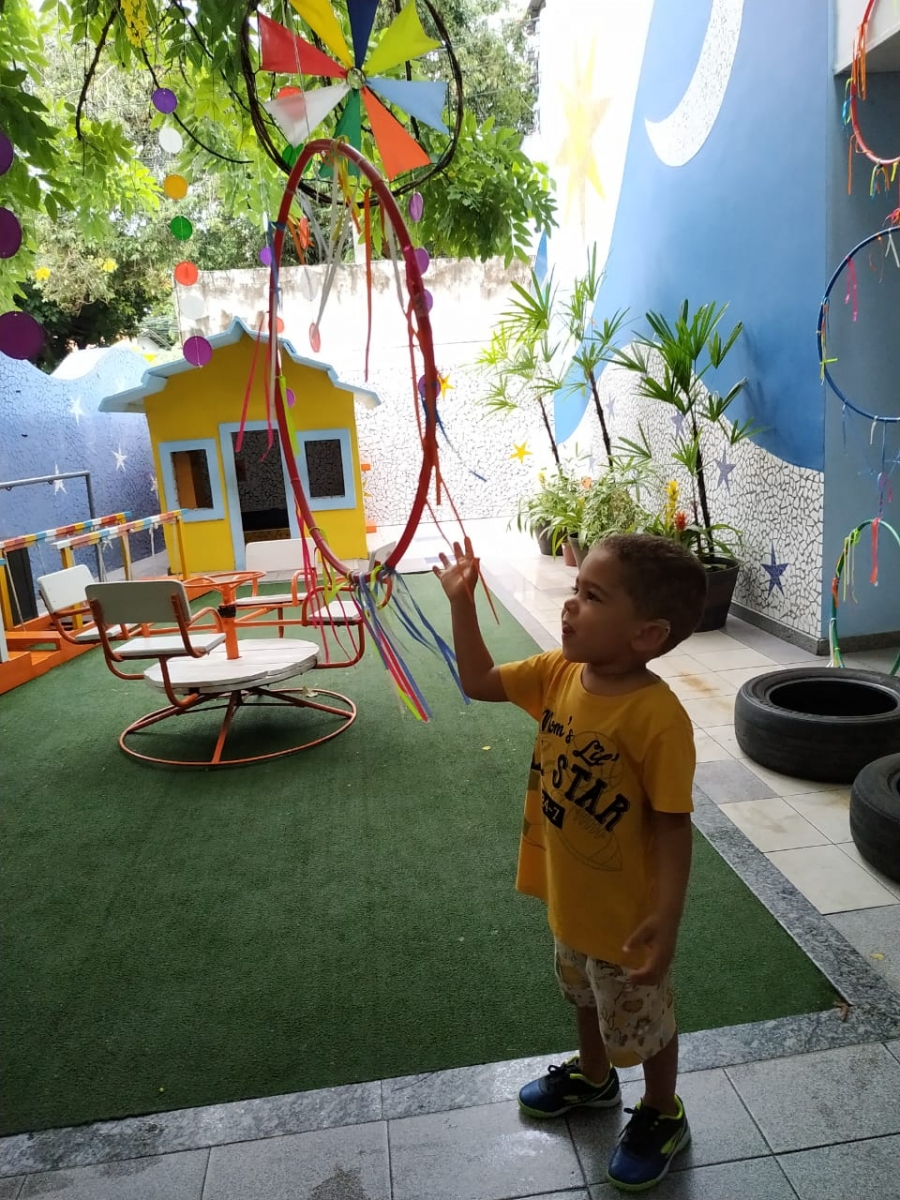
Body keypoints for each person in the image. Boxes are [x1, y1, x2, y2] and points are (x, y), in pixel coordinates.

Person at [434, 532, 708, 1192]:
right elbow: (477, 681)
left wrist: (666, 920)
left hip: (626, 919)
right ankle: (592, 1076)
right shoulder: (558, 673)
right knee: (583, 994)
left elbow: (673, 828)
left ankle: (661, 1110)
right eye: (574, 589)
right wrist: (462, 604)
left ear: (645, 635)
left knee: (644, 1022)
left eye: (592, 596)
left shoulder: (657, 718)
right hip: (570, 896)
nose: (569, 605)